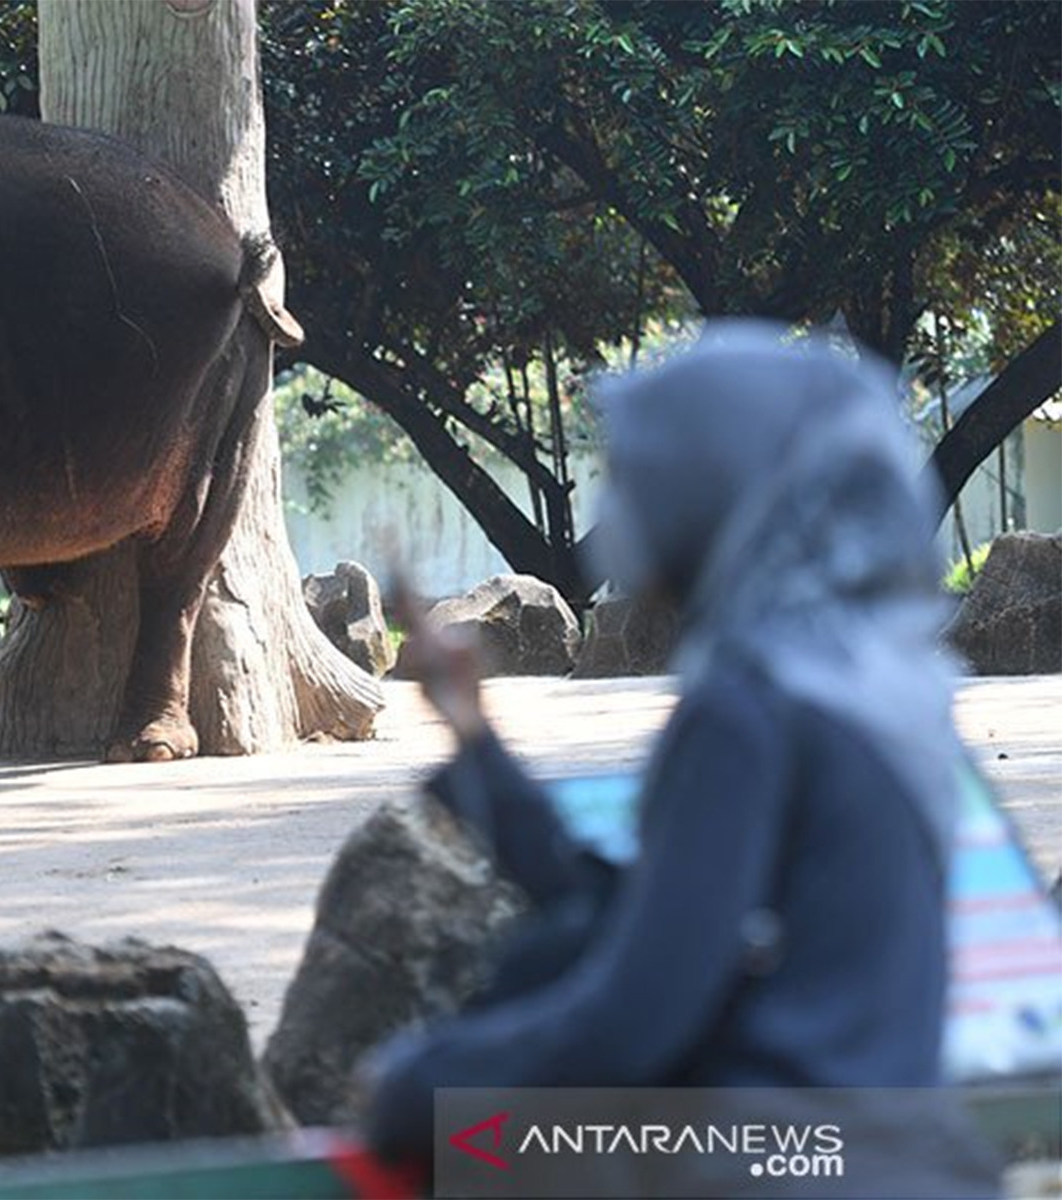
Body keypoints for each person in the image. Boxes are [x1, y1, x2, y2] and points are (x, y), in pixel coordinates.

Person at [363, 323, 998, 1191]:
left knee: (474, 1142)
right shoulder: (877, 688)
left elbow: (633, 1015)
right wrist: (473, 735)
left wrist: (413, 1083)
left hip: (773, 1165)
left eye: (641, 478)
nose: (620, 510)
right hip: (898, 1159)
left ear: (712, 497)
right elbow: (640, 913)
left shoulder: (748, 708)